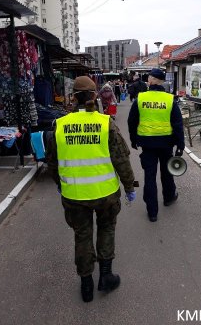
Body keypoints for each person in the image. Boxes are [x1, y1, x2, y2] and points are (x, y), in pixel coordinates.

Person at [47, 76, 136, 303]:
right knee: (106, 229)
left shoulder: (59, 125)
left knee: (82, 236)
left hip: (74, 196)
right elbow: (121, 160)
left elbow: (52, 162)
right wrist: (129, 187)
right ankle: (105, 277)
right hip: (106, 194)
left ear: (73, 97)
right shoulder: (106, 123)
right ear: (95, 96)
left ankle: (86, 286)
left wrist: (59, 183)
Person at [127, 68, 185, 223]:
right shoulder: (169, 99)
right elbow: (178, 123)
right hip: (166, 143)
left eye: (149, 78)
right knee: (167, 172)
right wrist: (180, 145)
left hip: (147, 144)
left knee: (150, 176)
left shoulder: (141, 98)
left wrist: (133, 140)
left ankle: (152, 212)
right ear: (162, 82)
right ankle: (169, 197)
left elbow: (132, 121)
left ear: (151, 81)